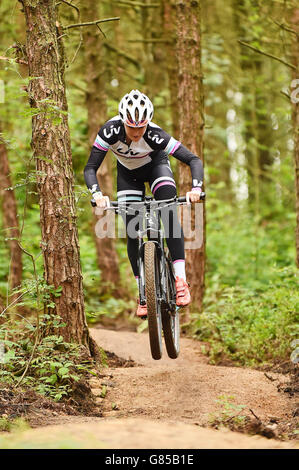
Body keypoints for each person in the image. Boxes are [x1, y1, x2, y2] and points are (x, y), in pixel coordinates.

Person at [84, 89, 204, 317]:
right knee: (133, 230)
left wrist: (196, 188)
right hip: (128, 176)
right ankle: (142, 292)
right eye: (132, 127)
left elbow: (193, 159)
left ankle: (180, 281)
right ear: (122, 122)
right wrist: (97, 194)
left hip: (157, 167)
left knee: (168, 214)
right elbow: (90, 168)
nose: (137, 132)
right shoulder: (109, 132)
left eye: (141, 126)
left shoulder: (156, 135)